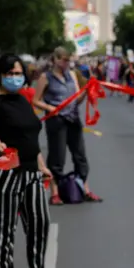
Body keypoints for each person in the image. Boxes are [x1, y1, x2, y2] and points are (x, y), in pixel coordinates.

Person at [0, 53, 52, 268]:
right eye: (10, 73)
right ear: (0, 75)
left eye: (18, 73)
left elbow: (31, 138)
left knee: (40, 225)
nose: (15, 77)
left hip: (32, 173)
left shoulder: (22, 100)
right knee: (4, 231)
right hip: (6, 173)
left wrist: (41, 165)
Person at [33, 47, 102, 205]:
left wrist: (86, 91)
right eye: (64, 60)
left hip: (73, 118)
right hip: (57, 120)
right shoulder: (46, 77)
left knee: (80, 156)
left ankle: (84, 188)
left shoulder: (72, 75)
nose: (67, 63)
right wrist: (50, 108)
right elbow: (36, 100)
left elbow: (76, 99)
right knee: (57, 156)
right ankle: (55, 192)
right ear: (56, 60)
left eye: (68, 60)